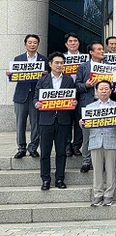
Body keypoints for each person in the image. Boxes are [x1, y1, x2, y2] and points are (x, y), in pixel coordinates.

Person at [34, 51, 76, 190]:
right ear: (50, 64)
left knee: (61, 152)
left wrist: (74, 103)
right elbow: (36, 97)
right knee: (45, 152)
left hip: (63, 121)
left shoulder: (68, 80)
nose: (59, 65)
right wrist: (36, 103)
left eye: (61, 63)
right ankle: (45, 179)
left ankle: (59, 179)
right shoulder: (43, 80)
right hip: (46, 120)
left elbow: (72, 97)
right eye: (57, 63)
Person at [82, 80, 116, 206]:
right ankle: (98, 194)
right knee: (97, 171)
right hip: (95, 142)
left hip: (110, 141)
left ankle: (109, 194)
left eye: (106, 89)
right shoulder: (89, 108)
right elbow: (86, 127)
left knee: (111, 170)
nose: (104, 91)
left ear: (110, 91)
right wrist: (81, 124)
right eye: (101, 89)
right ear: (96, 91)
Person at [9, 34, 48, 159]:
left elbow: (47, 79)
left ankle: (33, 148)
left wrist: (45, 74)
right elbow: (15, 76)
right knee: (20, 123)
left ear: (38, 44)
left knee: (36, 123)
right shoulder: (18, 59)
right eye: (30, 42)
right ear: (25, 44)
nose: (32, 45)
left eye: (35, 42)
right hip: (21, 96)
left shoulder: (44, 60)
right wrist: (11, 74)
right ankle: (21, 148)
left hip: (36, 95)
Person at [75, 41, 107, 173]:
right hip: (88, 103)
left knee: (104, 133)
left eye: (102, 49)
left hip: (104, 103)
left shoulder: (108, 66)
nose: (102, 51)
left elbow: (114, 84)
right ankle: (86, 161)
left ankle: (101, 162)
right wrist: (86, 85)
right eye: (99, 49)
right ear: (91, 52)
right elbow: (77, 85)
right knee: (87, 134)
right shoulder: (83, 67)